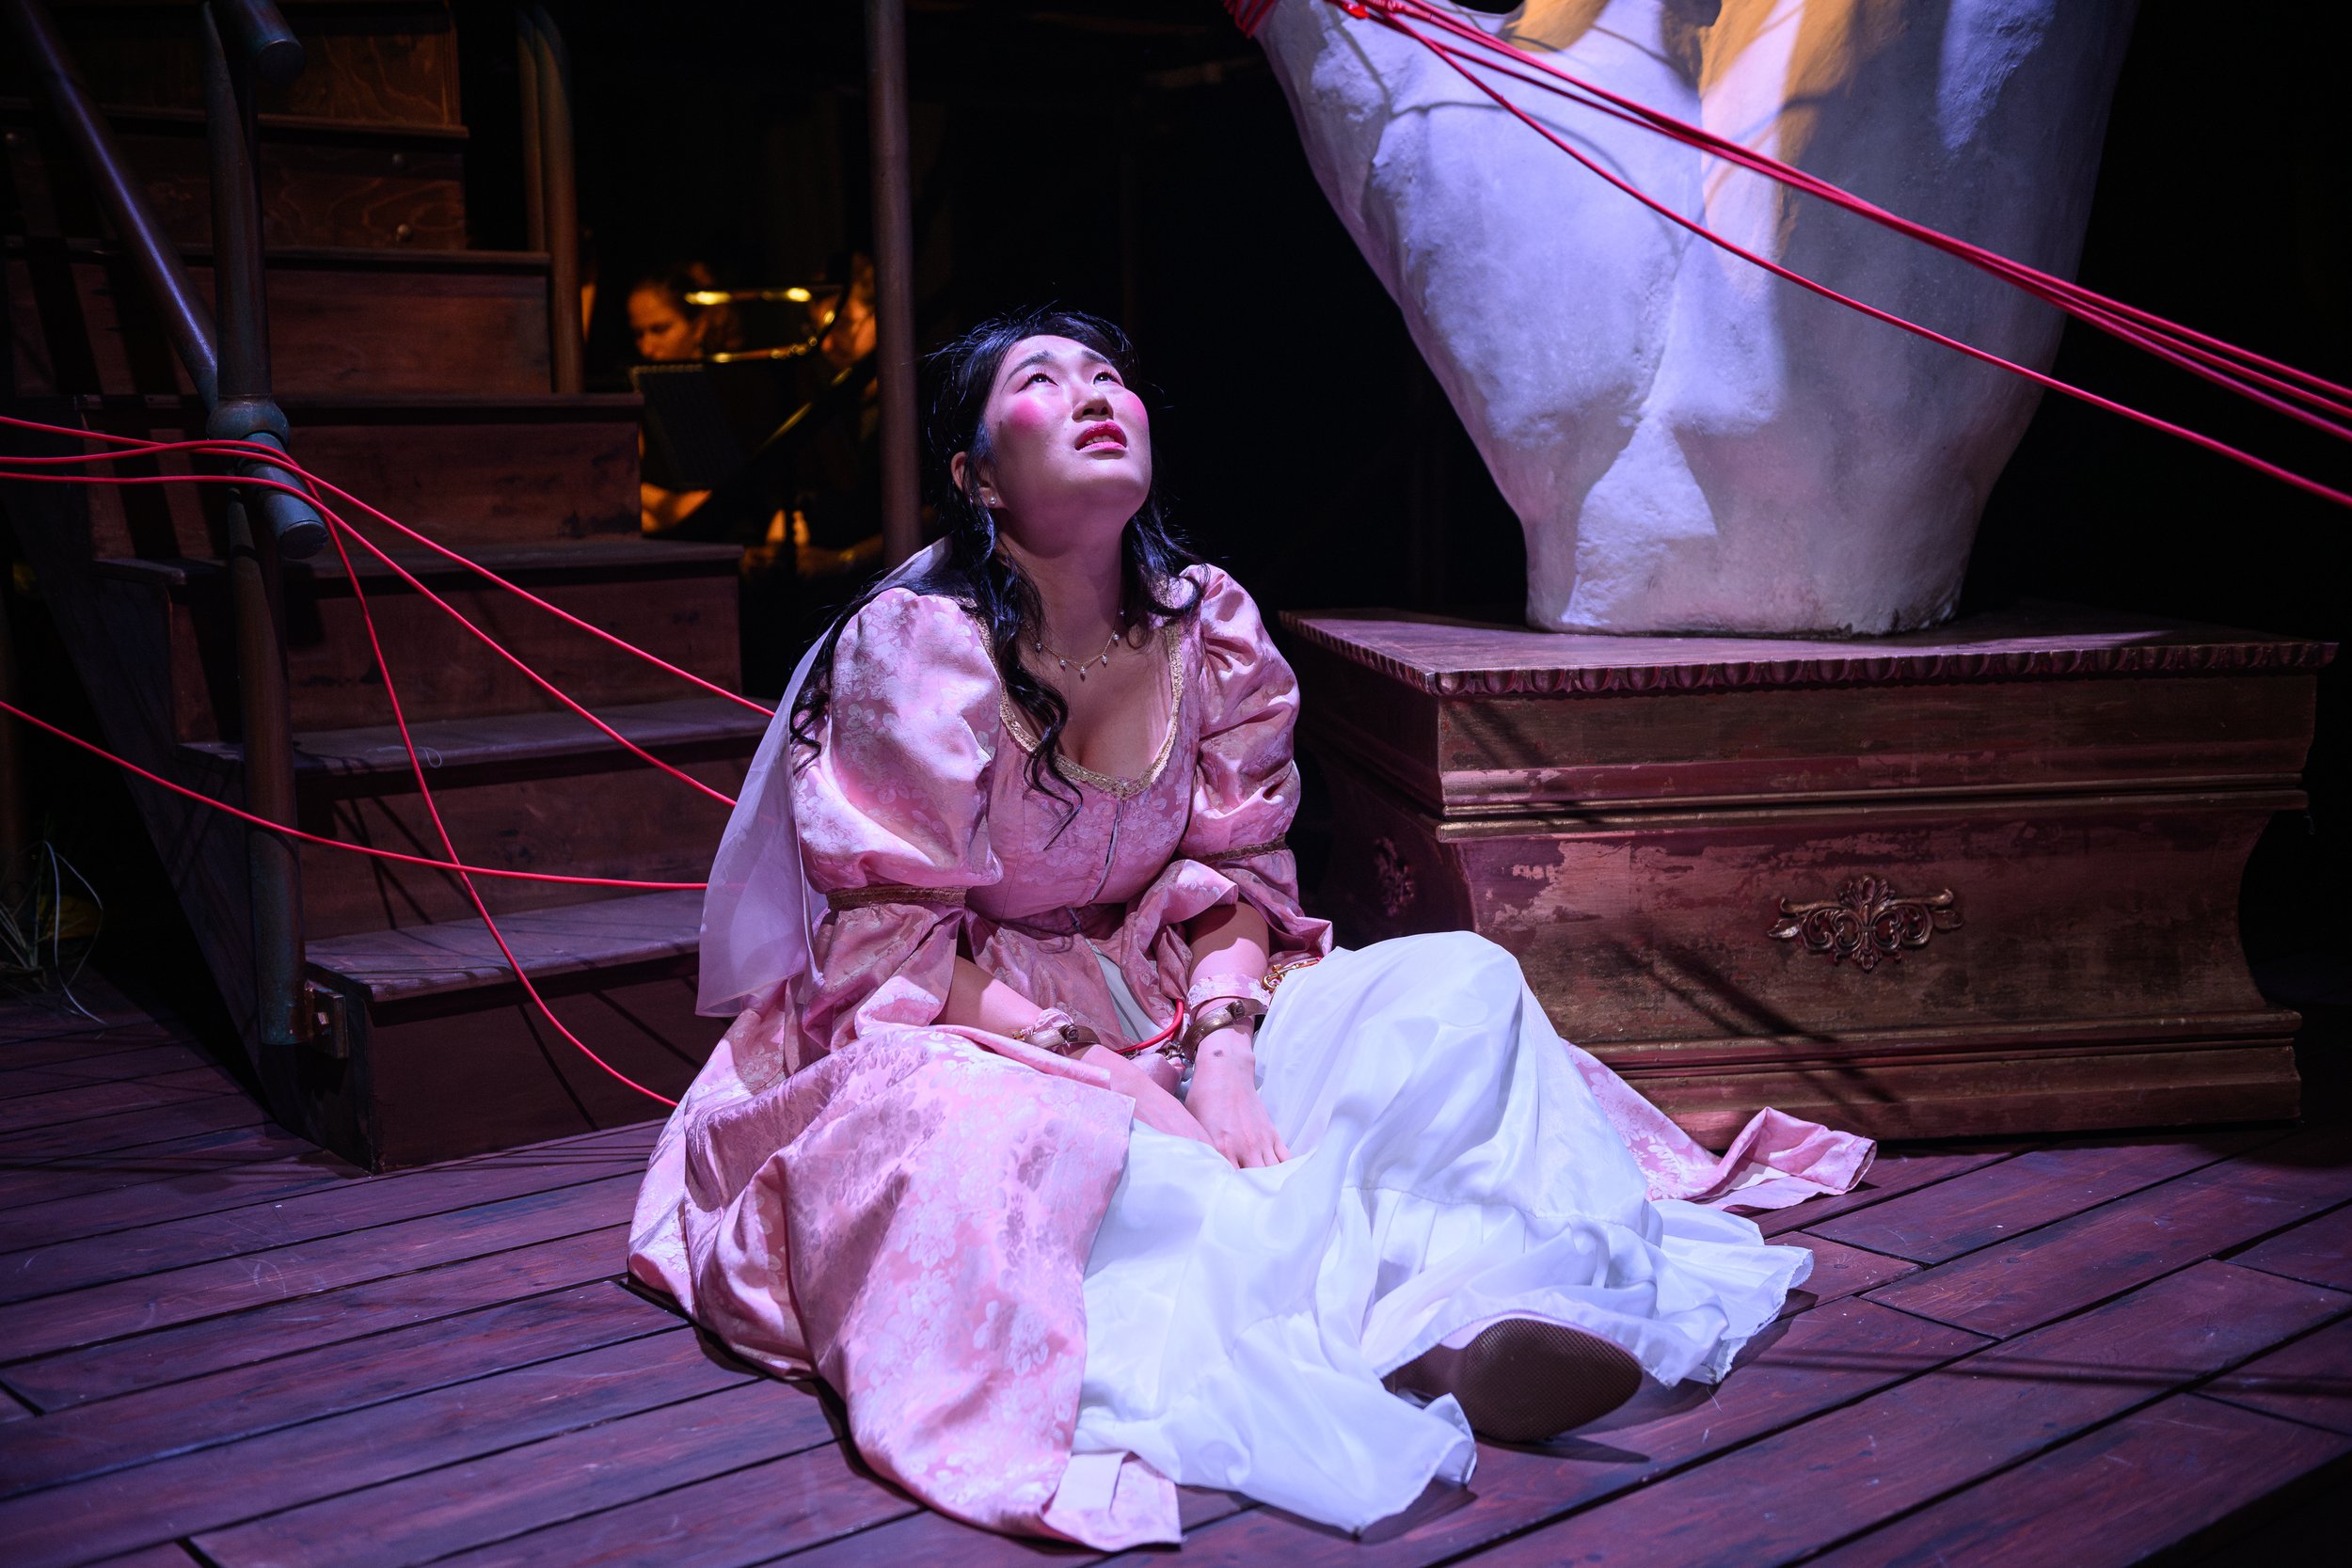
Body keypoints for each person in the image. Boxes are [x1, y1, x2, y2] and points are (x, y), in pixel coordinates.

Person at [628, 308, 1874, 1549]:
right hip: (960, 1012)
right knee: (1010, 1135)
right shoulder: (921, 647)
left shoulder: (1206, 626)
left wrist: (1219, 1047)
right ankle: (1367, 1342)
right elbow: (892, 939)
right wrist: (1099, 1066)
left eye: (1110, 373)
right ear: (975, 476)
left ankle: (1467, 1310)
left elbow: (1236, 870)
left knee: (1459, 984)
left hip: (1178, 984)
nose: (1092, 394)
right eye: (1043, 381)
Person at [629, 261, 742, 534]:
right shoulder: (637, 390)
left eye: (660, 329)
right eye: (638, 334)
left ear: (699, 327)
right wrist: (669, 507)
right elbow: (616, 479)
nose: (646, 347)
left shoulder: (732, 386)